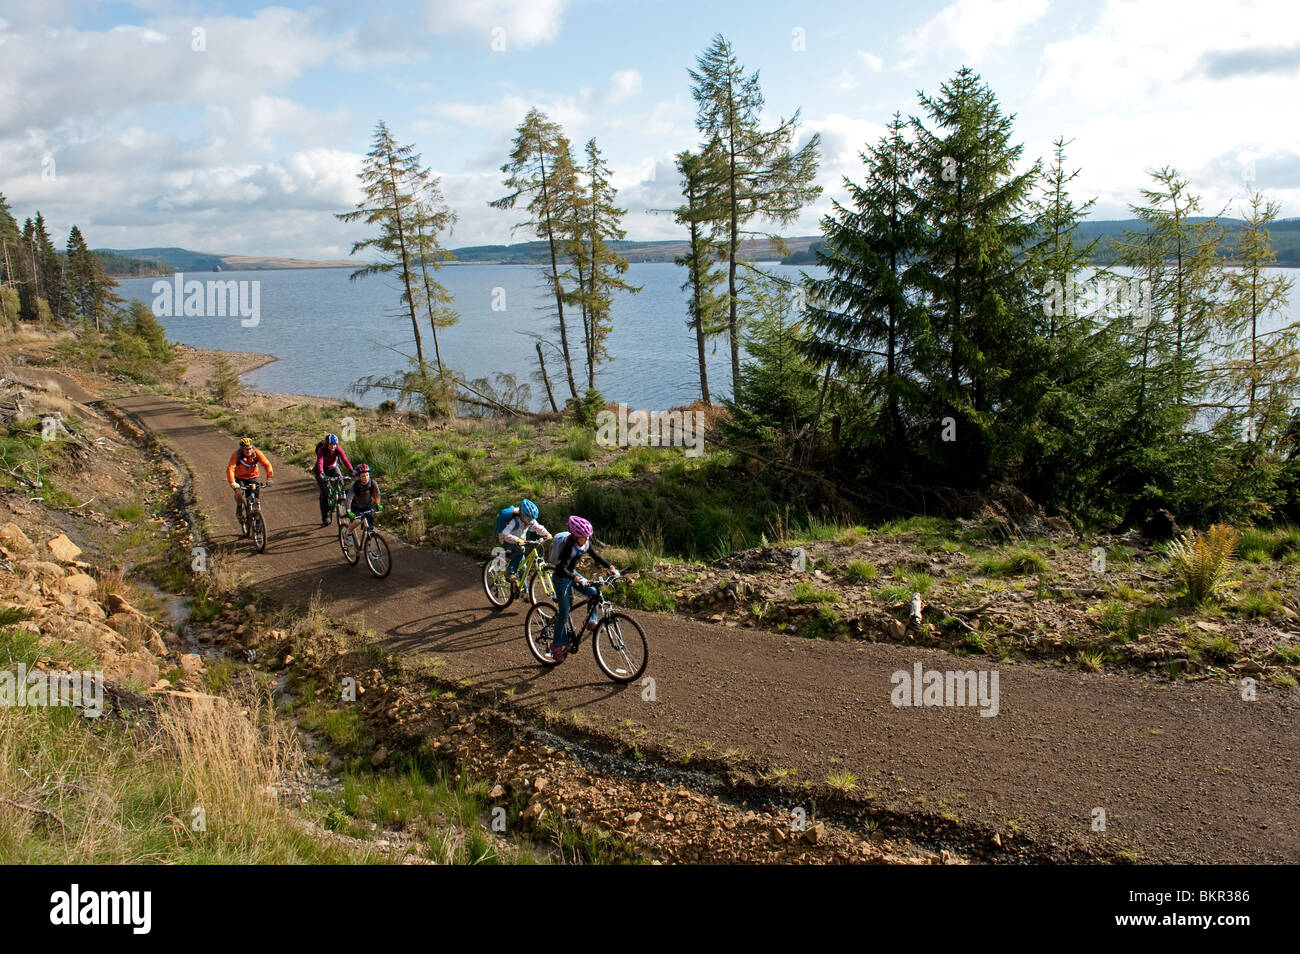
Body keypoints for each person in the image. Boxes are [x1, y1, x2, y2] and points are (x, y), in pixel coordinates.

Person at [548, 515, 618, 663]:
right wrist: (576, 578)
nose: (586, 539)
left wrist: (610, 567)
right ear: (575, 536)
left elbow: (596, 556)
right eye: (583, 537)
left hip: (573, 575)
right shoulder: (568, 547)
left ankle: (592, 622)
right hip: (561, 579)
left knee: (593, 593)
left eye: (588, 537)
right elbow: (561, 569)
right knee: (564, 613)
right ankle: (556, 646)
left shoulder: (584, 543)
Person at [496, 498, 550, 589]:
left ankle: (525, 591)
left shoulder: (530, 520)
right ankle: (510, 572)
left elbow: (538, 528)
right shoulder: (514, 521)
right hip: (508, 540)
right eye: (529, 519)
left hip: (520, 542)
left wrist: (547, 533)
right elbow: (505, 533)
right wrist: (517, 540)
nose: (531, 521)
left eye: (532, 519)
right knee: (519, 551)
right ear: (521, 515)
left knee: (523, 568)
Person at [227, 437, 274, 520]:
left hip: (252, 477)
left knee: (256, 500)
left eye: (250, 449)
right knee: (239, 493)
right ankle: (239, 507)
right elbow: (231, 468)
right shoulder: (236, 455)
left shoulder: (257, 453)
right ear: (242, 449)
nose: (248, 451)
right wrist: (232, 482)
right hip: (240, 478)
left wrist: (269, 478)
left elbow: (267, 464)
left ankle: (257, 520)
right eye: (245, 449)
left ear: (252, 447)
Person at [313, 433, 354, 526]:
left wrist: (351, 470)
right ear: (327, 444)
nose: (333, 447)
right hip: (322, 470)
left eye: (335, 445)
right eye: (331, 445)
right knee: (325, 493)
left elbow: (344, 459)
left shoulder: (337, 449)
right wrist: (321, 473)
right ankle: (326, 516)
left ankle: (341, 501)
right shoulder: (321, 450)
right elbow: (320, 462)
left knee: (342, 483)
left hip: (333, 467)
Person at [343, 463, 382, 541]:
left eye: (367, 475)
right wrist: (348, 510)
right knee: (357, 521)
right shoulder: (355, 486)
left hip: (367, 507)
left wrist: (378, 504)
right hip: (356, 508)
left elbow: (377, 494)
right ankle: (348, 533)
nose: (366, 478)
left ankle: (368, 548)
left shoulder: (372, 483)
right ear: (358, 477)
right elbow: (349, 498)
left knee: (370, 529)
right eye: (363, 476)